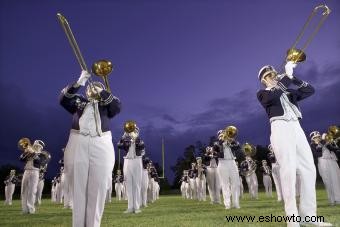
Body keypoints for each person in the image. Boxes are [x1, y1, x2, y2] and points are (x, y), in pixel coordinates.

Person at [257, 62, 331, 226]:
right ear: (263, 80)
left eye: (274, 73)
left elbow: (310, 90)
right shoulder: (263, 93)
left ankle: (308, 216)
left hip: (296, 127)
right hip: (280, 127)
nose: (273, 76)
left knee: (309, 169)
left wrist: (294, 78)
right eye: (269, 75)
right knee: (288, 170)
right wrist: (287, 78)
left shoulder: (288, 91)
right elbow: (274, 97)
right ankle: (292, 219)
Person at [59, 70, 121, 226]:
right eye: (90, 87)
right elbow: (63, 100)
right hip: (78, 141)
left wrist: (102, 91)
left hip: (101, 143)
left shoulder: (106, 104)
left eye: (96, 87)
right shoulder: (79, 101)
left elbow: (117, 107)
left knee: (98, 187)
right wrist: (79, 82)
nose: (92, 88)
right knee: (78, 188)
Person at [118, 124, 145, 214]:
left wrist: (136, 139)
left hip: (137, 161)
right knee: (128, 185)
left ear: (137, 132)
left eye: (135, 131)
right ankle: (130, 207)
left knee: (137, 185)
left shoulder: (140, 140)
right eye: (131, 131)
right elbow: (119, 145)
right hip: (127, 161)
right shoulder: (126, 140)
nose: (132, 132)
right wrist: (124, 136)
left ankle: (137, 207)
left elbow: (142, 148)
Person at [310, 131, 340, 205]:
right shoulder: (312, 146)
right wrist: (321, 144)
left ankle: (338, 199)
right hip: (323, 163)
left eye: (319, 137)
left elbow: (335, 149)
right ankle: (332, 200)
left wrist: (332, 142)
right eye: (315, 137)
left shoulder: (325, 142)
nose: (318, 138)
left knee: (336, 179)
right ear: (312, 139)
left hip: (332, 161)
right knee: (327, 181)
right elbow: (318, 154)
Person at [214, 129, 241, 209]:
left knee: (235, 184)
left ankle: (236, 204)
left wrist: (231, 141)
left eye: (224, 134)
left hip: (232, 162)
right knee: (225, 185)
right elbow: (215, 149)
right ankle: (227, 204)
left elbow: (238, 147)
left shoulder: (231, 142)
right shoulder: (217, 143)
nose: (224, 136)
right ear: (218, 136)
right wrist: (222, 141)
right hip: (222, 163)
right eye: (221, 135)